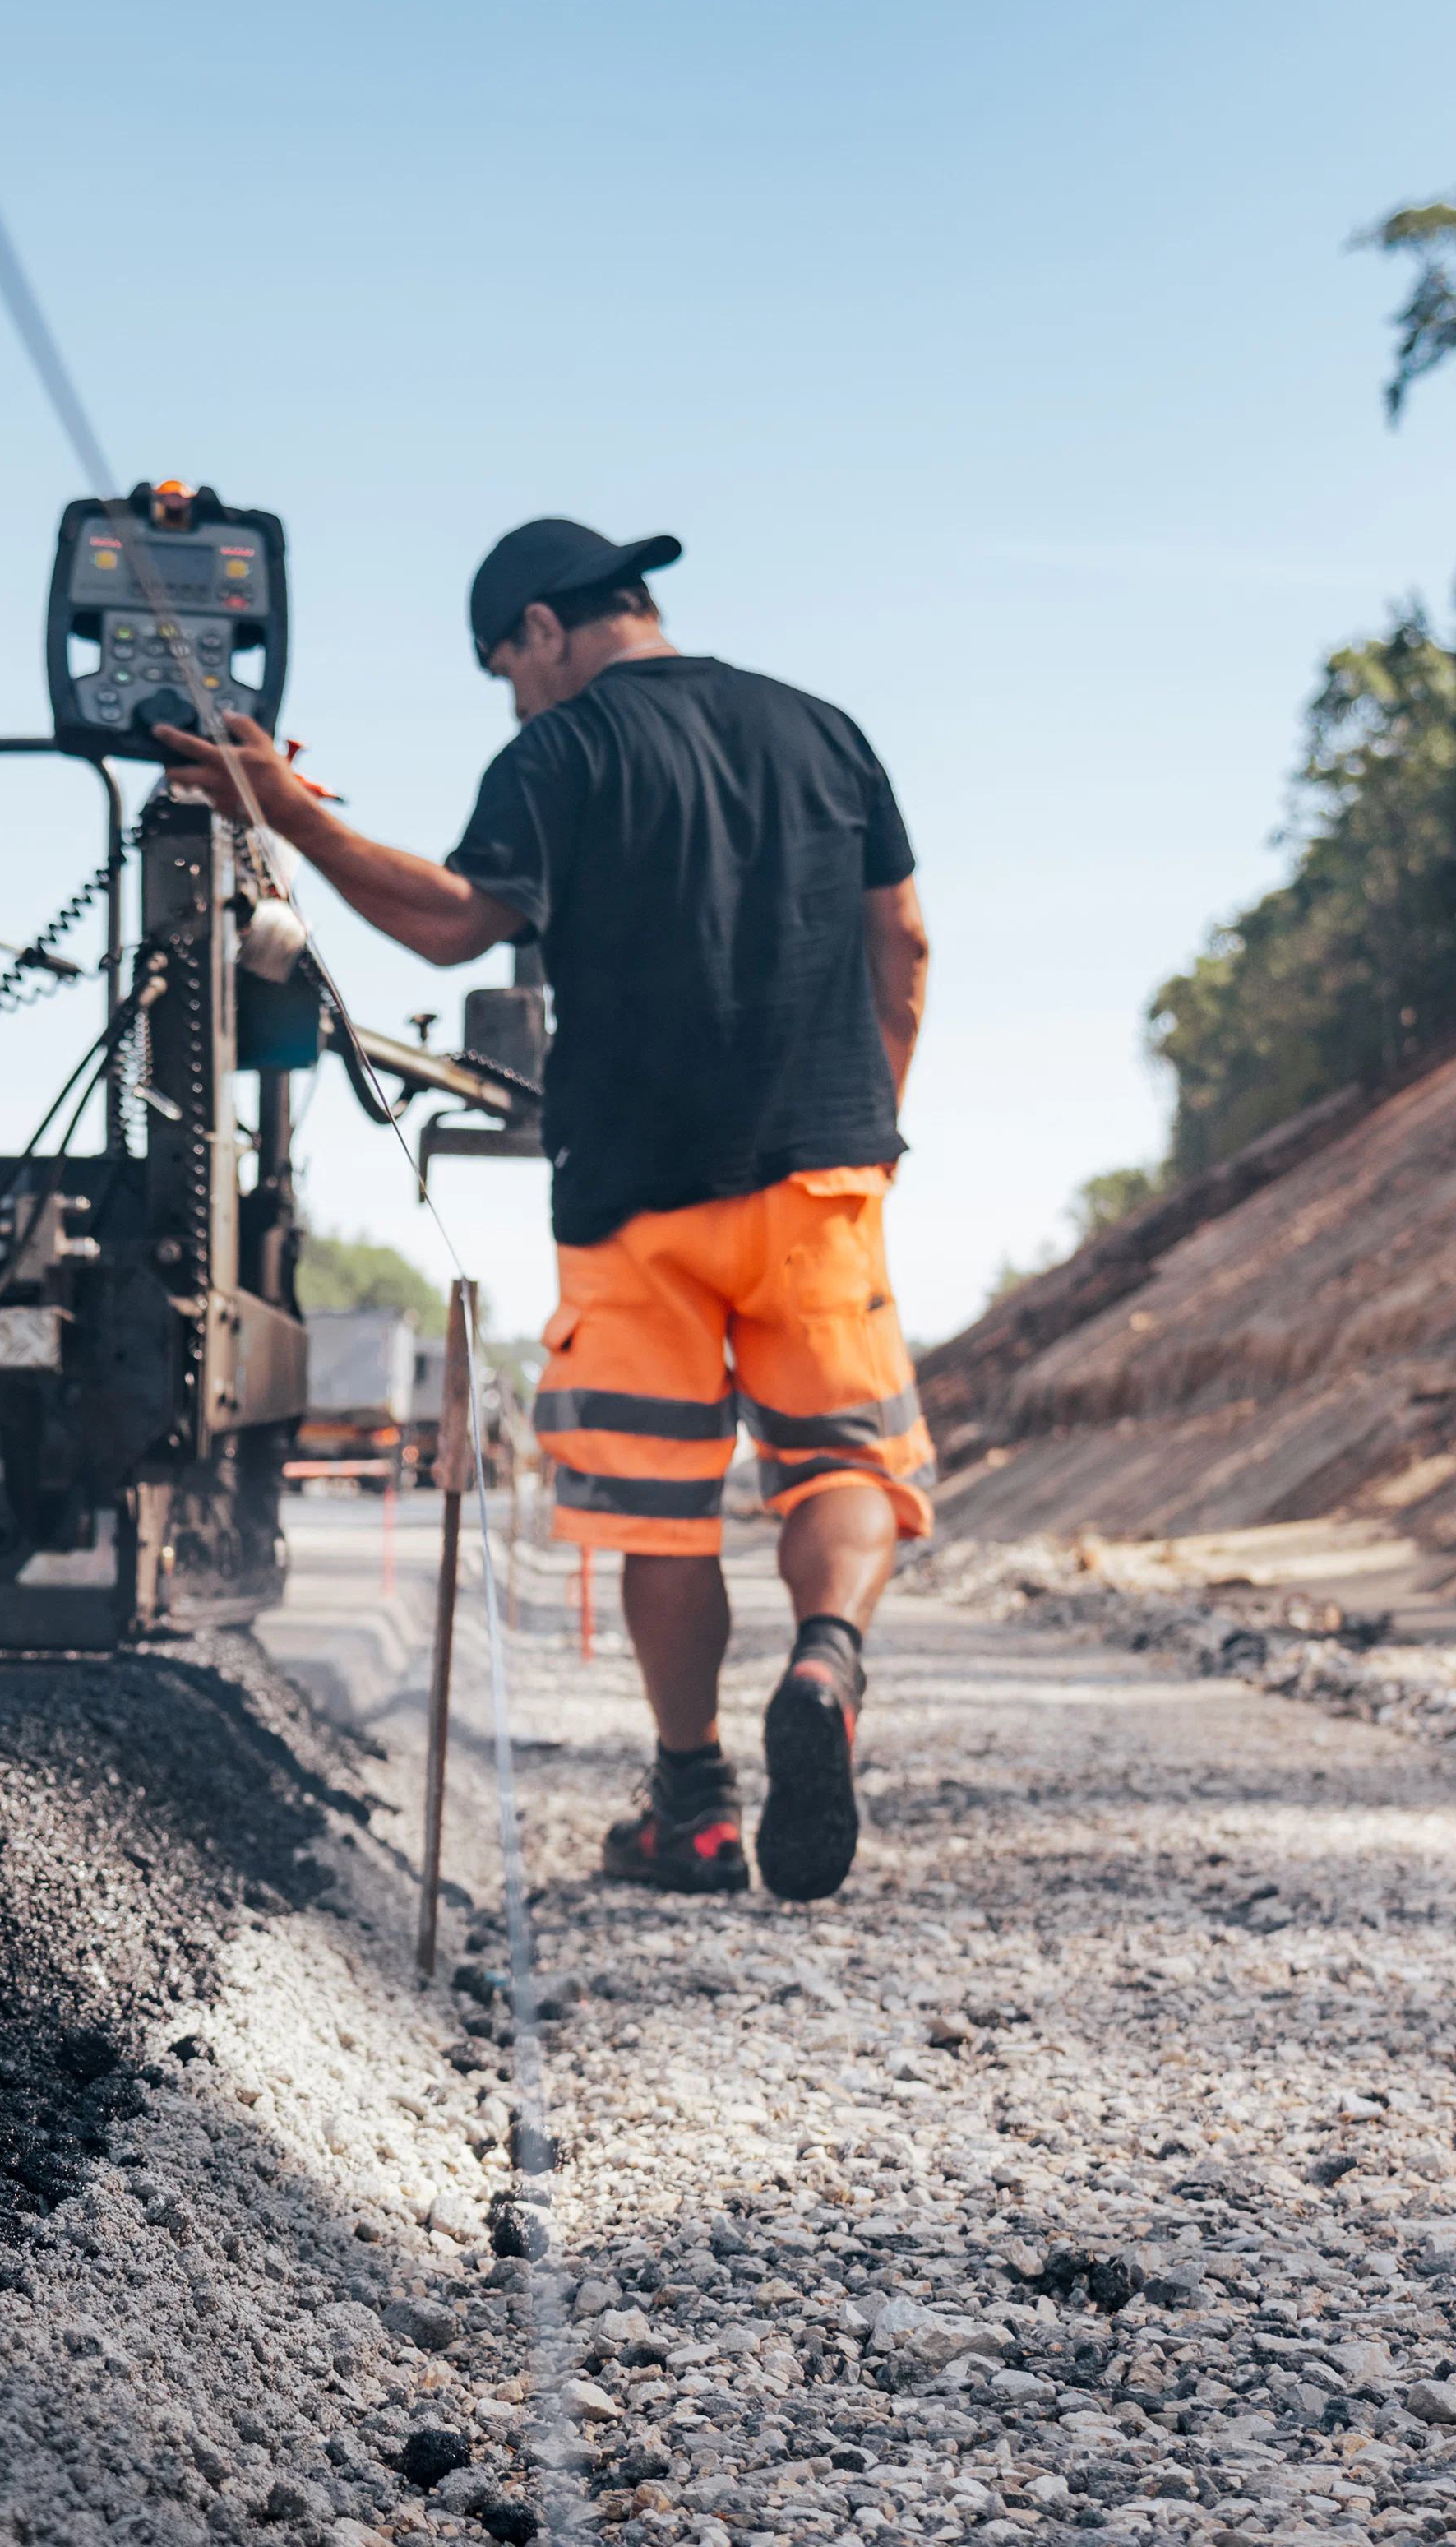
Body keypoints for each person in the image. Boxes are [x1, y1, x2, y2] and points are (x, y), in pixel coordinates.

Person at [156, 517, 930, 1901]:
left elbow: (455, 921)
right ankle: (826, 1666)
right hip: (820, 1181)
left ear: (545, 627)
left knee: (662, 1515)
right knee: (845, 1467)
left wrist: (287, 813)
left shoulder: (562, 753)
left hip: (633, 1198)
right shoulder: (827, 732)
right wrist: (867, 1124)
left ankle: (693, 1805)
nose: (513, 695)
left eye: (504, 665)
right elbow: (906, 945)